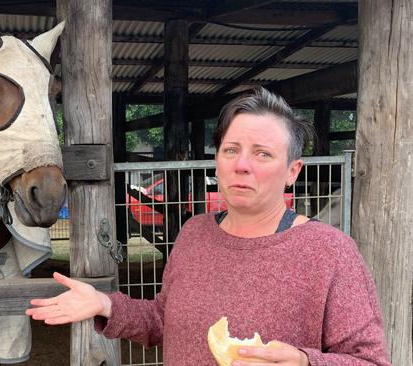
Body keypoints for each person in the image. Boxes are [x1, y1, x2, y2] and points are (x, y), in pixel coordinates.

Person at [26, 87, 391, 366]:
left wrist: (306, 361)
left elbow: (370, 360)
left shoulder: (330, 252)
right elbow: (162, 321)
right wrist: (104, 304)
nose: (242, 164)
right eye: (231, 150)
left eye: (262, 154)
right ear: (217, 160)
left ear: (292, 172)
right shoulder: (194, 234)